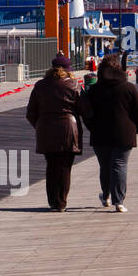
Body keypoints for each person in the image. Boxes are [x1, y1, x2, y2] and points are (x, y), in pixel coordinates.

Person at [78, 53, 138, 212]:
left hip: (100, 133)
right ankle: (119, 201)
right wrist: (137, 128)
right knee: (119, 165)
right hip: (124, 133)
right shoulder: (128, 87)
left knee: (105, 166)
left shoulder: (94, 90)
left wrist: (91, 127)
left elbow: (86, 112)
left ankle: (106, 195)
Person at [26, 53, 82, 211]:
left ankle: (52, 201)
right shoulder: (73, 85)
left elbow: (30, 113)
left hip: (46, 130)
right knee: (65, 167)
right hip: (68, 130)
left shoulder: (40, 85)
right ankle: (61, 202)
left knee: (51, 166)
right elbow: (85, 109)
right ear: (67, 70)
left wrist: (40, 126)